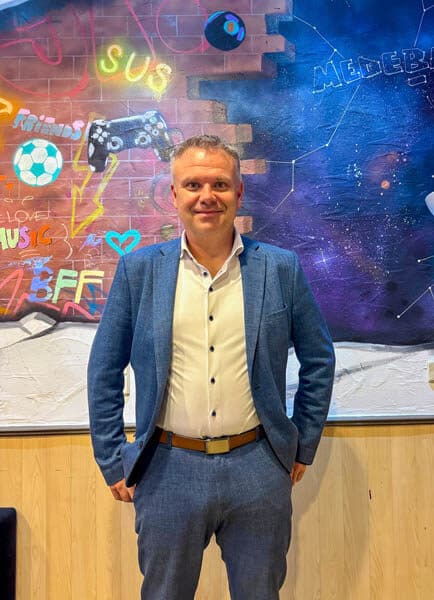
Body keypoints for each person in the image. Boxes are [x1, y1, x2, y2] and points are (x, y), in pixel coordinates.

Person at [88, 135, 335, 599]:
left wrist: (302, 446)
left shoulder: (280, 268)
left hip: (258, 467)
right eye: (193, 184)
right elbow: (104, 369)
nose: (207, 196)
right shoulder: (139, 271)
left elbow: (319, 359)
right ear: (174, 194)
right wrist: (111, 458)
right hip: (166, 469)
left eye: (220, 184)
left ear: (238, 192)